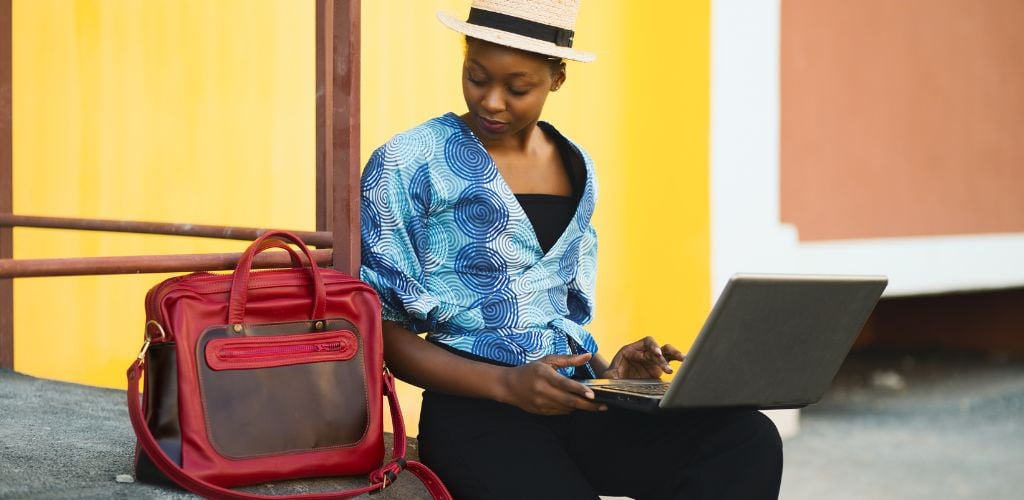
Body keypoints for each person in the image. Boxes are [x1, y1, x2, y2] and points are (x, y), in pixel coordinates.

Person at [360, 1, 783, 498]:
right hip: (479, 414)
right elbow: (383, 330)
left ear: (556, 79)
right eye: (476, 77)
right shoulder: (409, 161)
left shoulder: (576, 164)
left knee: (744, 439)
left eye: (518, 88)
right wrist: (508, 385)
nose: (492, 102)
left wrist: (613, 377)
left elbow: (554, 312)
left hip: (577, 400)